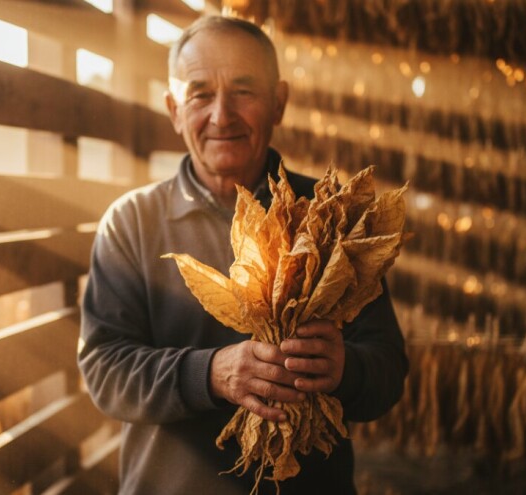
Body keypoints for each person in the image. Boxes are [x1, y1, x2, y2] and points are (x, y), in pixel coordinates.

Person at [78, 15, 408, 494]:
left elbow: (388, 370)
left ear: (279, 103)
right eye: (199, 95)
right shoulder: (132, 223)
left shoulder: (331, 217)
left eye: (243, 91)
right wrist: (210, 374)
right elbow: (104, 370)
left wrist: (344, 369)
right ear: (174, 110)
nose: (221, 116)